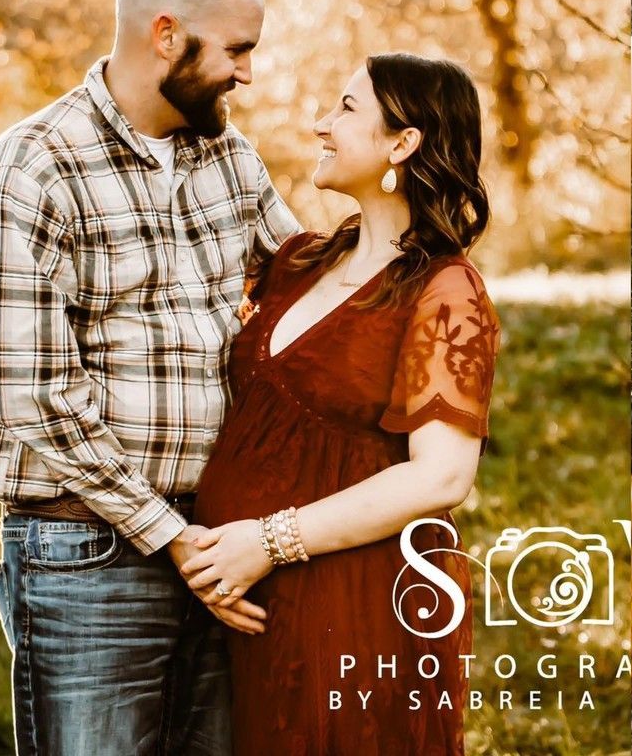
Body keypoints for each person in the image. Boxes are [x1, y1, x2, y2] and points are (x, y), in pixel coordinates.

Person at [0, 0, 302, 755]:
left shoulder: (229, 157)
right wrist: (171, 537)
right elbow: (38, 398)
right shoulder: (30, 173)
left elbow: (307, 287)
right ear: (166, 35)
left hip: (220, 541)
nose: (248, 73)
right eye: (236, 50)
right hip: (86, 554)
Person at [186, 53, 501, 755]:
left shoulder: (446, 292)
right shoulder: (301, 259)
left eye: (346, 109)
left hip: (352, 596)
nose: (321, 124)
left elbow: (441, 477)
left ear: (403, 143)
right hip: (243, 594)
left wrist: (265, 542)